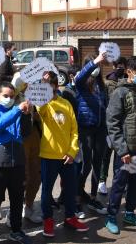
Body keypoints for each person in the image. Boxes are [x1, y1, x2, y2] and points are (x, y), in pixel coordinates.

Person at [104, 56, 136, 235]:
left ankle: (130, 214)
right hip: (126, 150)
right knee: (119, 185)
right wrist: (122, 149)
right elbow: (112, 123)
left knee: (134, 185)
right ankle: (110, 217)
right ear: (129, 72)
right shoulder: (120, 92)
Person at [37, 71, 88, 237]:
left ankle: (70, 217)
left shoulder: (66, 103)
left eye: (50, 85)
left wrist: (72, 151)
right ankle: (48, 220)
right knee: (47, 191)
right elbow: (41, 111)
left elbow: (74, 130)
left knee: (71, 189)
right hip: (48, 155)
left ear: (56, 86)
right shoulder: (42, 104)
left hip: (67, 156)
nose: (48, 89)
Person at [0, 81, 33, 244]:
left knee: (17, 199)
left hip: (16, 162)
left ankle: (16, 231)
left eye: (12, 96)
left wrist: (26, 115)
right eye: (5, 96)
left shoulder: (16, 110)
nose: (9, 99)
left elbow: (25, 133)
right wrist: (18, 110)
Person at [74, 52, 108, 214]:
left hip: (100, 128)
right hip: (86, 128)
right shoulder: (81, 84)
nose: (97, 69)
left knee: (97, 163)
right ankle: (77, 198)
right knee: (85, 165)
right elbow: (79, 77)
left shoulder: (101, 85)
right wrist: (94, 61)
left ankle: (93, 197)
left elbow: (105, 107)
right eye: (95, 65)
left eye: (99, 66)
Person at [14, 73, 43, 224]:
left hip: (34, 136)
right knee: (21, 178)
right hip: (19, 140)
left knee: (35, 175)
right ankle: (14, 213)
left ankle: (29, 207)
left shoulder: (37, 95)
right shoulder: (12, 97)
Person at [98, 57, 127, 195]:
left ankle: (119, 181)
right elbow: (107, 101)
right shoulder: (108, 82)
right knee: (106, 154)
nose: (120, 68)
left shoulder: (129, 80)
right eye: (118, 66)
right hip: (110, 123)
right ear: (114, 66)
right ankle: (102, 181)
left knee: (121, 154)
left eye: (123, 66)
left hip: (124, 124)